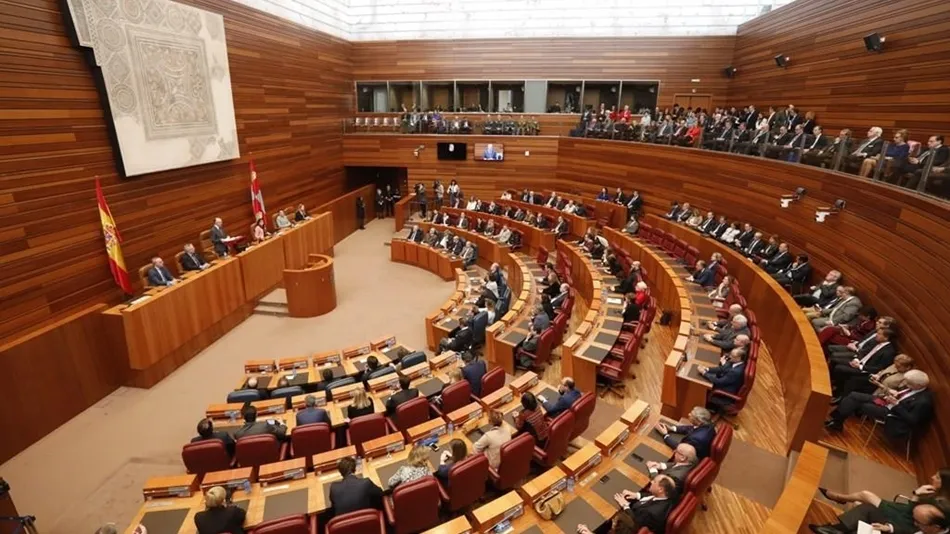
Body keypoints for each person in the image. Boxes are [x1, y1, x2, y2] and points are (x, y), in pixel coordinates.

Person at [825, 370, 933, 436]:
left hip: (892, 414)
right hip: (887, 402)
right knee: (854, 395)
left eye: (909, 383)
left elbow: (912, 419)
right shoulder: (913, 387)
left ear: (918, 386)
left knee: (859, 404)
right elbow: (902, 396)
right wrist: (892, 396)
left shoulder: (923, 401)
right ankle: (837, 421)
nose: (906, 384)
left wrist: (896, 404)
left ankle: (837, 422)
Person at [808, 483, 950, 534]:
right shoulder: (930, 522)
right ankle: (835, 530)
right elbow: (911, 529)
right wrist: (890, 528)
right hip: (896, 527)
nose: (915, 523)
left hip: (897, 523)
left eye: (918, 522)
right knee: (868, 508)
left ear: (935, 527)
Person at [828, 328, 897, 391]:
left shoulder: (888, 352)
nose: (876, 335)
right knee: (834, 360)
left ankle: (837, 389)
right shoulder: (877, 342)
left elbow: (878, 368)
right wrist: (857, 360)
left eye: (879, 334)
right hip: (860, 363)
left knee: (839, 368)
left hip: (865, 370)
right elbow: (865, 353)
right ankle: (832, 382)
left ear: (886, 338)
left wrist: (860, 366)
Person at [834, 353, 914, 401]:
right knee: (854, 379)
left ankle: (843, 400)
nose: (895, 367)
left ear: (907, 367)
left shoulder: (907, 378)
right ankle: (841, 397)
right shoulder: (895, 365)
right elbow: (883, 371)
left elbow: (895, 394)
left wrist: (879, 385)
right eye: (895, 365)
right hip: (876, 382)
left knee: (856, 385)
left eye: (898, 367)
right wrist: (877, 375)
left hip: (880, 391)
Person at [612, 474, 677, 534]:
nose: (651, 482)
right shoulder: (667, 497)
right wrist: (636, 495)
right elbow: (652, 495)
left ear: (660, 489)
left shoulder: (650, 512)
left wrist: (625, 505)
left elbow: (635, 522)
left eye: (654, 482)